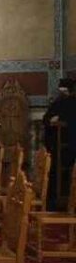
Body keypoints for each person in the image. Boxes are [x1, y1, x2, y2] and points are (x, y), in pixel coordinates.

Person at [43, 78, 76, 209]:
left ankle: (57, 203)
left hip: (63, 148)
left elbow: (49, 120)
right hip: (63, 147)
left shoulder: (62, 102)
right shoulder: (60, 102)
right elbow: (47, 120)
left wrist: (54, 120)